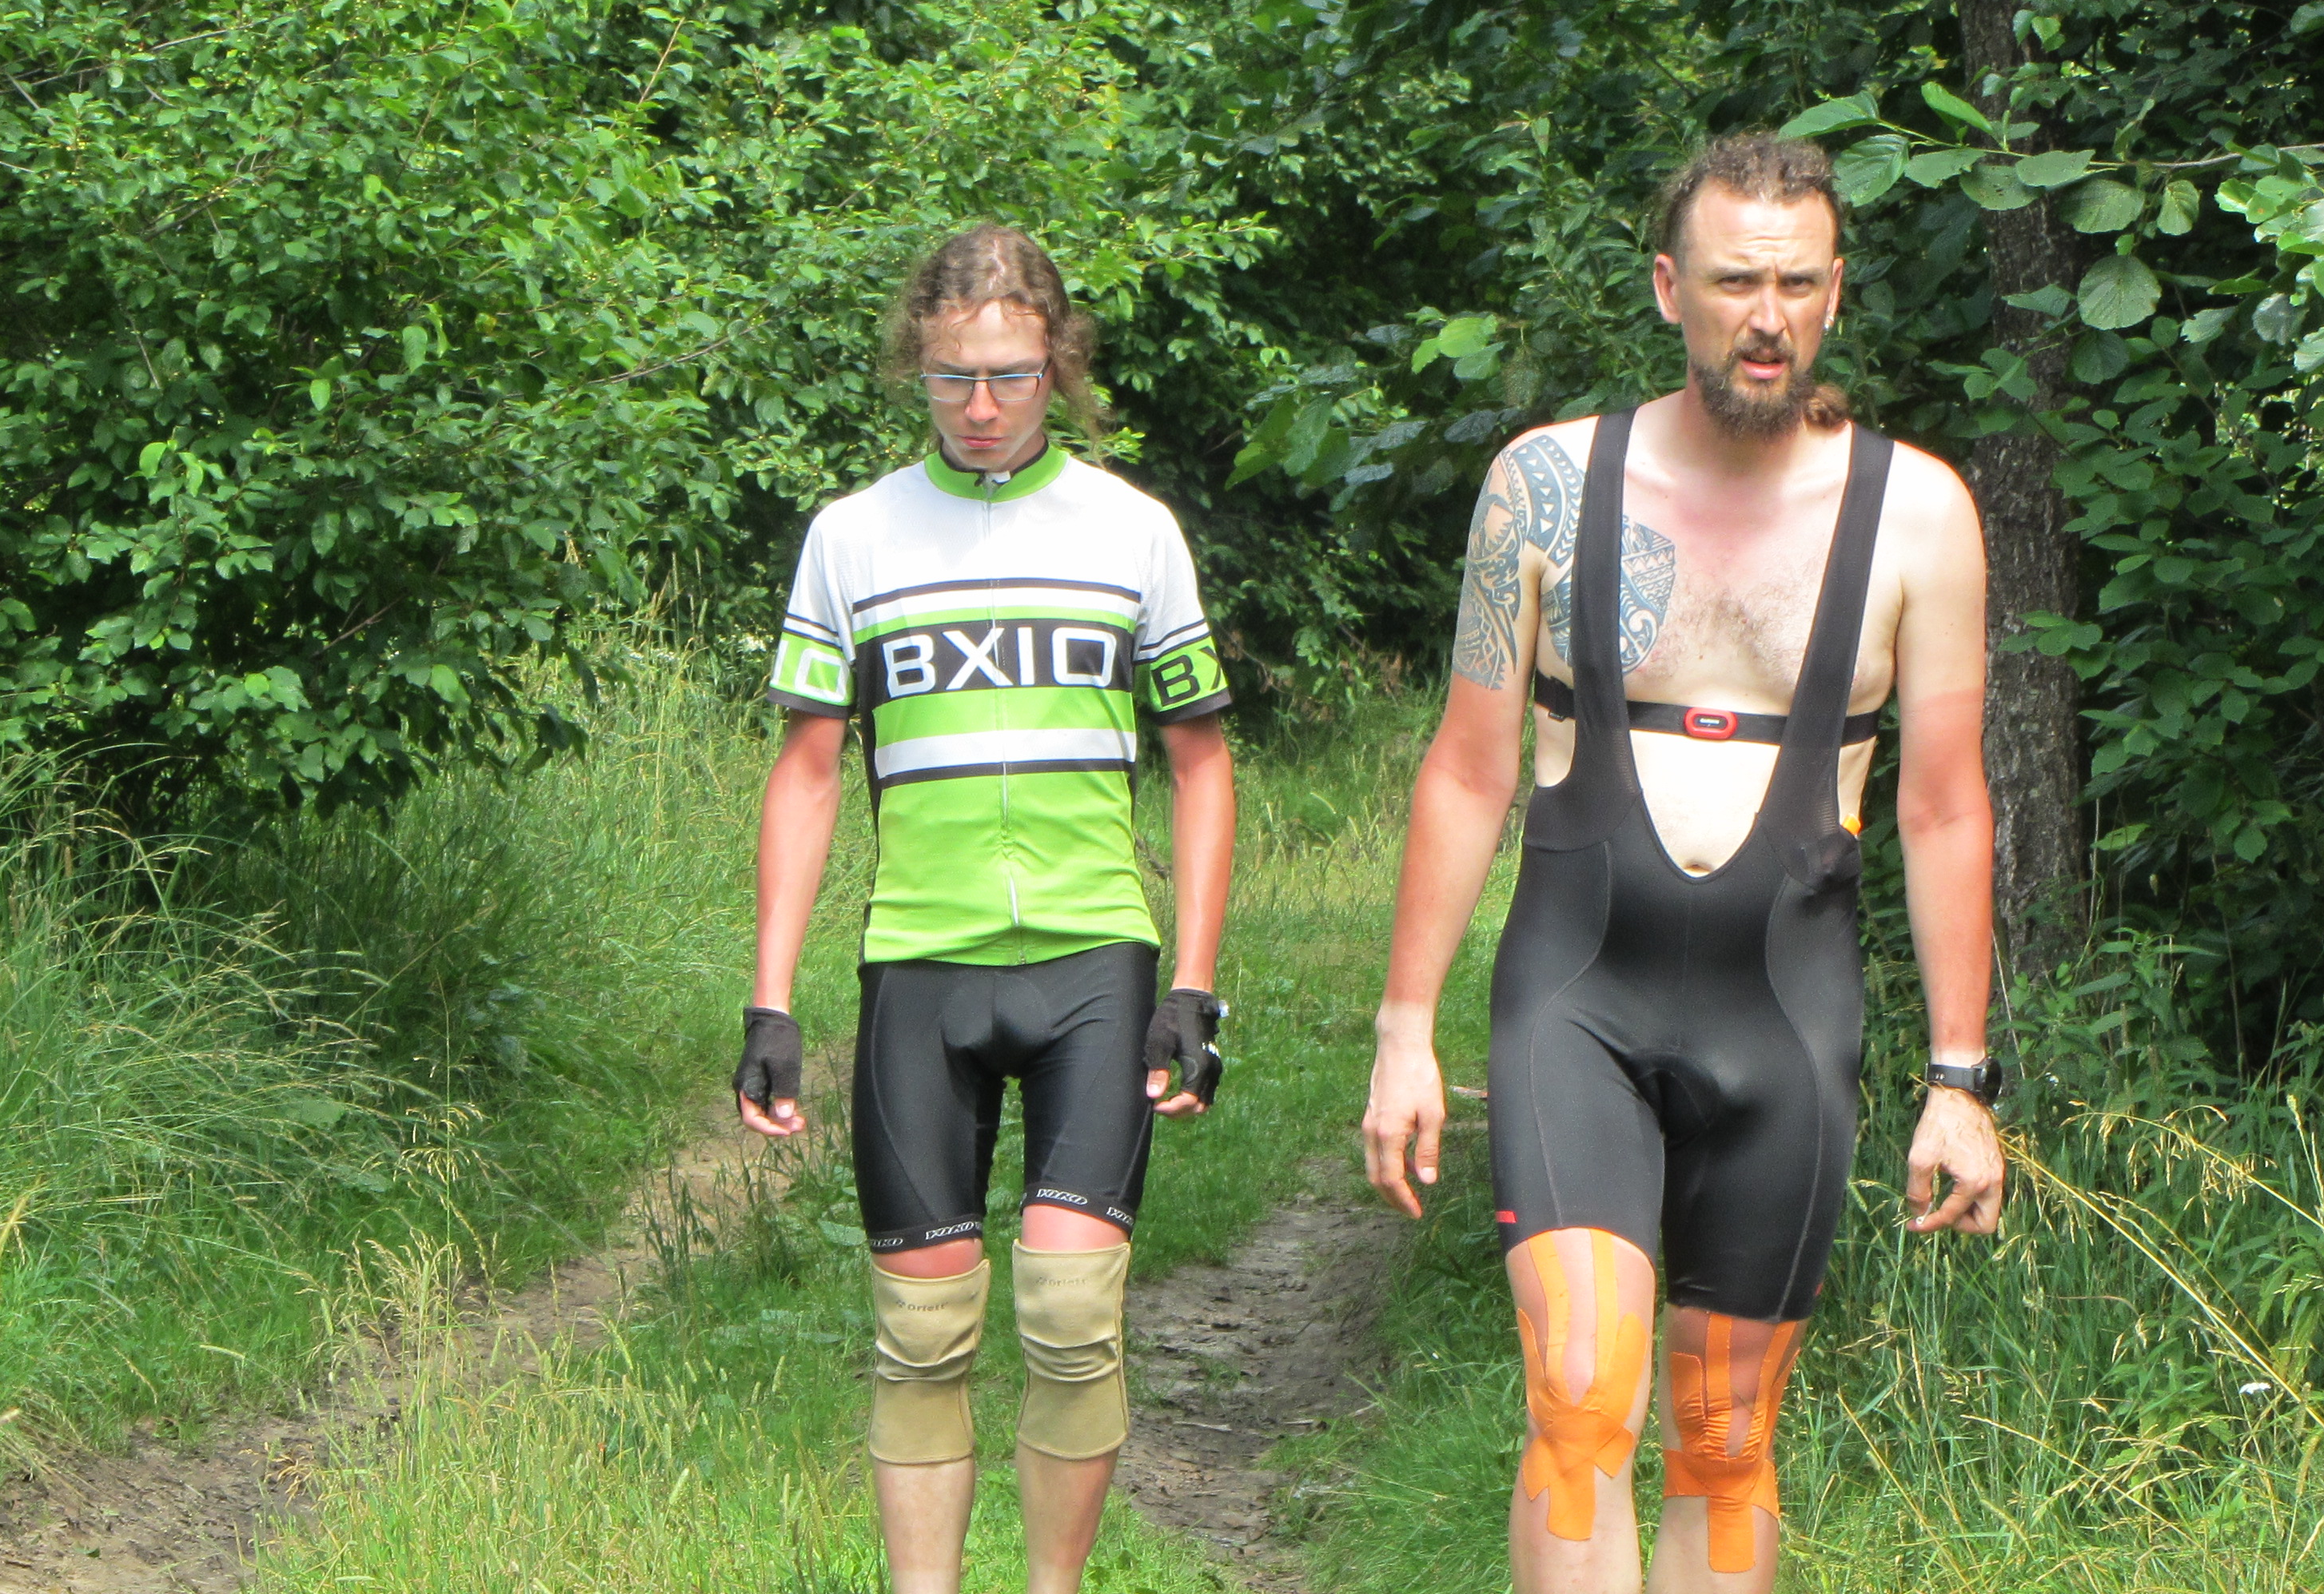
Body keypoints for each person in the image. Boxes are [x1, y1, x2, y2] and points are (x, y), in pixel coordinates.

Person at [1359, 134, 2005, 1592]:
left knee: (1724, 1436)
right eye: (1732, 284)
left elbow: (1945, 808)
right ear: (1669, 288)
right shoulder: (1545, 485)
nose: (1765, 318)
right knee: (1581, 1394)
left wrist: (1959, 1081)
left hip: (1783, 1016)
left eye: (1795, 285)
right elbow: (1466, 770)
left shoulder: (1920, 514)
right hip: (1579, 992)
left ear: (1835, 292)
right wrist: (1405, 1030)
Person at [739, 225, 1238, 1594]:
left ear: (1057, 364)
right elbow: (809, 769)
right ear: (918, 363)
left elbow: (1200, 764)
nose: (978, 406)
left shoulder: (1133, 532)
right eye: (951, 377)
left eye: (1010, 376)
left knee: (1071, 1315)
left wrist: (1195, 985)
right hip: (921, 957)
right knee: (921, 1333)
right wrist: (771, 1002)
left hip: (1093, 958)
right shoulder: (853, 537)